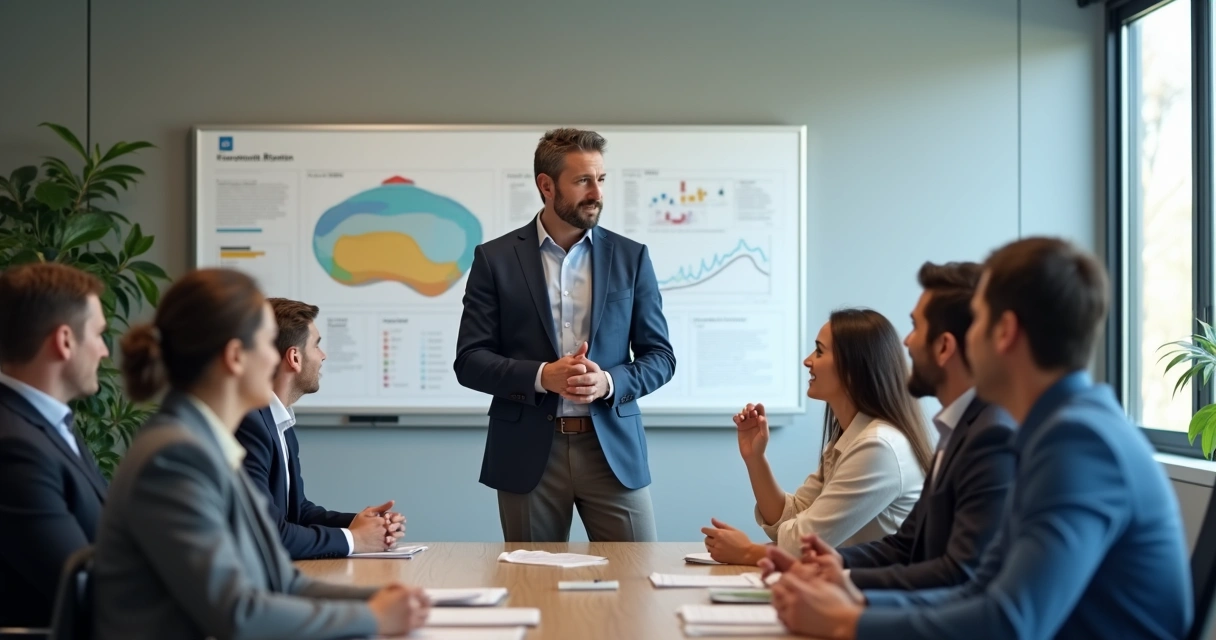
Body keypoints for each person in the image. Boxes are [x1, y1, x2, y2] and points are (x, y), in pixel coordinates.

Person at [768, 237, 1193, 640]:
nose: (966, 340)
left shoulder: (1078, 442)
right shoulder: (1057, 431)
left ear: (1004, 332)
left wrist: (851, 622)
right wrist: (849, 598)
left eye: (979, 322)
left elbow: (1010, 621)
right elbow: (978, 591)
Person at [94, 268, 429, 639]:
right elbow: (238, 614)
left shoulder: (208, 444)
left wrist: (383, 600)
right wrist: (373, 618)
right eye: (266, 344)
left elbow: (281, 581)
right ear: (236, 356)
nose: (275, 361)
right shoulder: (175, 457)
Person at [454, 128, 675, 543]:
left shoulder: (632, 258)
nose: (597, 193)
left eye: (601, 179)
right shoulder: (495, 260)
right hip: (528, 453)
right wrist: (542, 376)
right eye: (583, 181)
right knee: (532, 586)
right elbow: (469, 360)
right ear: (546, 185)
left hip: (612, 449)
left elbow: (660, 356)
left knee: (636, 587)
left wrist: (608, 382)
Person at [820, 262, 1016, 590]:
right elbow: (907, 546)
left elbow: (960, 576)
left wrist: (852, 605)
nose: (906, 342)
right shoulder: (958, 429)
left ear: (944, 347)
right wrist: (831, 565)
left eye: (915, 327)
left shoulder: (992, 437)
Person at [702, 308, 933, 565]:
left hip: (881, 597)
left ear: (853, 368)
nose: (808, 361)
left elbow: (801, 543)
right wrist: (755, 458)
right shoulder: (851, 438)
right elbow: (794, 516)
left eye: (820, 351)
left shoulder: (878, 447)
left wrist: (747, 552)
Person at [236, 297, 404, 560]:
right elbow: (269, 534)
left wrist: (364, 524)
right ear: (294, 357)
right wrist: (355, 539)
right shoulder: (250, 424)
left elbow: (298, 512)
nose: (323, 355)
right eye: (317, 345)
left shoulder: (278, 421)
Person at [0, 263, 110, 628]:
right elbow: (82, 587)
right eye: (98, 335)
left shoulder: (48, 424)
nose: (105, 351)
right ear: (64, 341)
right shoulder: (15, 446)